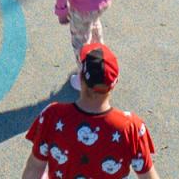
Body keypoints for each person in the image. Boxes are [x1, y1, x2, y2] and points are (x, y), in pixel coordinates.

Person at [22, 43, 159, 179]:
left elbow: (34, 168)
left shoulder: (52, 115)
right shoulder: (131, 127)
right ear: (114, 84)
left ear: (80, 78)